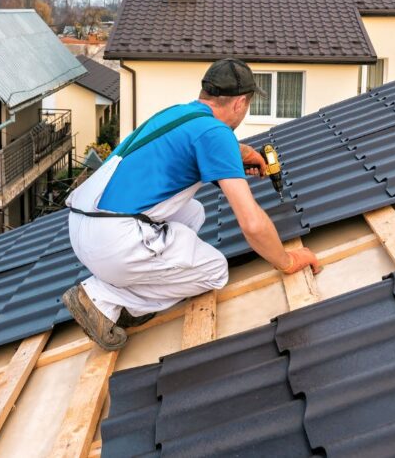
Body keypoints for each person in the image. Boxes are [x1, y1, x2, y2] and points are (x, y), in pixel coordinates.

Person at [61, 58, 321, 351]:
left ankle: (132, 291)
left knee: (194, 211)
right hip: (112, 241)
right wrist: (287, 261)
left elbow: (202, 146)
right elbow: (251, 222)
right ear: (239, 104)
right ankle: (103, 297)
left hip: (84, 224)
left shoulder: (179, 114)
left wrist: (243, 153)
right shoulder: (216, 134)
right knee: (214, 270)